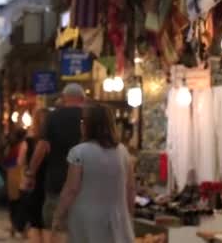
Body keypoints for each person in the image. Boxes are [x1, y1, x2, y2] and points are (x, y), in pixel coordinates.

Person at [52, 103, 135, 243]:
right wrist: (128, 216)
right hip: (116, 218)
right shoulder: (123, 152)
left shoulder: (78, 152)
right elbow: (131, 188)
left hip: (86, 219)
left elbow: (71, 188)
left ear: (88, 125)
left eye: (83, 121)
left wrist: (58, 215)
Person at [26, 83, 85, 242]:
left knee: (56, 227)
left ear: (64, 99)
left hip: (57, 181)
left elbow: (42, 147)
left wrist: (31, 173)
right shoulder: (88, 116)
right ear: (82, 98)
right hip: (84, 182)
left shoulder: (53, 117)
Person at [19, 108, 49, 243]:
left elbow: (20, 161)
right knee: (46, 223)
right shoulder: (51, 142)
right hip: (48, 184)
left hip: (34, 184)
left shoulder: (29, 141)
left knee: (35, 222)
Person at [4, 128, 27, 238]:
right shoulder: (23, 145)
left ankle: (13, 227)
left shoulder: (10, 147)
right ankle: (19, 228)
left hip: (11, 176)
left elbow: (6, 161)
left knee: (13, 204)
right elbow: (20, 162)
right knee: (20, 204)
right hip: (20, 176)